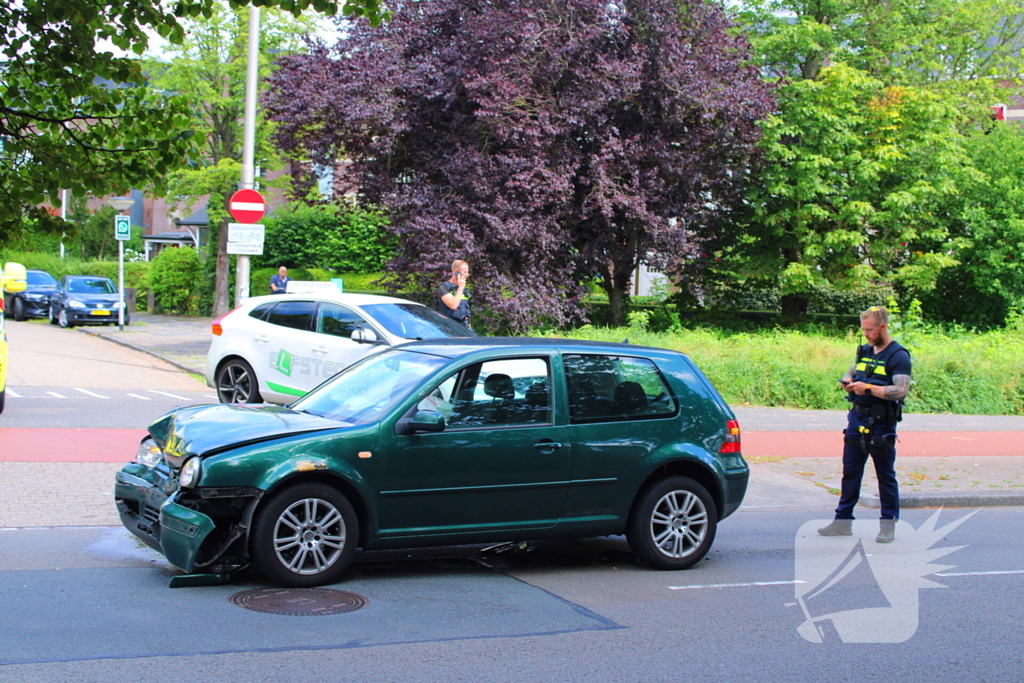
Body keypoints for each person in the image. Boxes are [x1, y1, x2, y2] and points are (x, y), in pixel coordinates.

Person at [819, 306, 912, 543]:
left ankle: (888, 527)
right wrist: (848, 381)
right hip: (857, 420)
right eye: (863, 330)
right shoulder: (865, 351)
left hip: (881, 425)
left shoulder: (898, 355)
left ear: (883, 327)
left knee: (885, 476)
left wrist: (869, 388)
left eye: (870, 330)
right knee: (850, 473)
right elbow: (851, 372)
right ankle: (842, 522)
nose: (866, 334)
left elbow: (901, 391)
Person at [437, 259, 471, 327]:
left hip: (465, 325)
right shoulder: (444, 287)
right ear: (456, 272)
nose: (467, 275)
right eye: (465, 272)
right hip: (451, 326)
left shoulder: (463, 289)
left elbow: (465, 308)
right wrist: (460, 288)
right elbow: (453, 305)